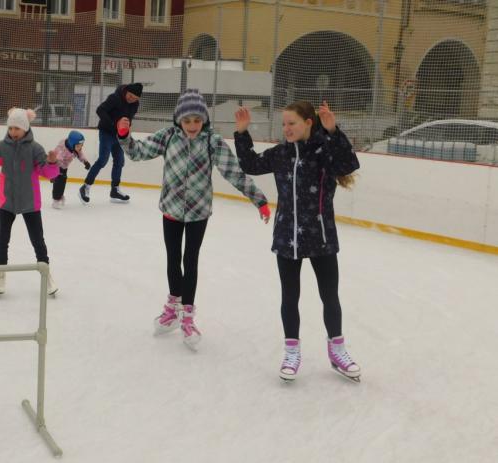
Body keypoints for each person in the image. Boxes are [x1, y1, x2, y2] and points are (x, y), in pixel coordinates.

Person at [118, 89, 271, 351]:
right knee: (172, 258)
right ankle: (172, 305)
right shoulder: (167, 137)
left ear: (204, 120)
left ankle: (187, 314)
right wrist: (124, 136)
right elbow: (138, 152)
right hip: (172, 209)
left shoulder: (211, 142)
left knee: (191, 259)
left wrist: (259, 199)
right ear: (178, 119)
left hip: (199, 211)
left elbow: (233, 172)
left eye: (197, 121)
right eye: (187, 121)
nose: (192, 126)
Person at [233, 101, 361, 382]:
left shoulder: (323, 150)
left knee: (329, 295)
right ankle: (292, 351)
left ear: (308, 123)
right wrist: (242, 133)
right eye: (283, 124)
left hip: (321, 237)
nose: (287, 129)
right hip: (287, 237)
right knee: (290, 297)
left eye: (292, 123)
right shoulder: (281, 154)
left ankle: (337, 350)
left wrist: (332, 131)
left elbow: (349, 163)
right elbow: (251, 164)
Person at [0, 107, 60, 295]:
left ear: (25, 128)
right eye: (11, 128)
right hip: (7, 201)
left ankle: (46, 275)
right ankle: (0, 273)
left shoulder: (35, 148)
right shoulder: (1, 147)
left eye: (17, 128)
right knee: (2, 239)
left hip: (30, 201)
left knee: (38, 240)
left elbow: (48, 174)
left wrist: (52, 163)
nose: (13, 132)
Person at [78, 82, 143, 205]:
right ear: (126, 91)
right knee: (103, 160)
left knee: (119, 161)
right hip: (107, 132)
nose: (131, 99)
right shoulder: (115, 98)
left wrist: (126, 133)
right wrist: (114, 123)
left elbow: (129, 119)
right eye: (130, 96)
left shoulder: (135, 104)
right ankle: (85, 187)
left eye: (135, 98)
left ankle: (115, 190)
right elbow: (100, 110)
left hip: (119, 136)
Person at [49, 130, 91, 209]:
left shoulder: (75, 148)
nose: (80, 148)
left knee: (63, 181)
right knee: (59, 182)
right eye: (79, 146)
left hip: (64, 167)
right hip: (56, 166)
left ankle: (59, 195)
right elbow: (55, 161)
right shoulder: (62, 151)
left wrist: (85, 162)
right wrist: (53, 174)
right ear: (72, 144)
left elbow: (80, 154)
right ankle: (55, 200)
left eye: (82, 145)